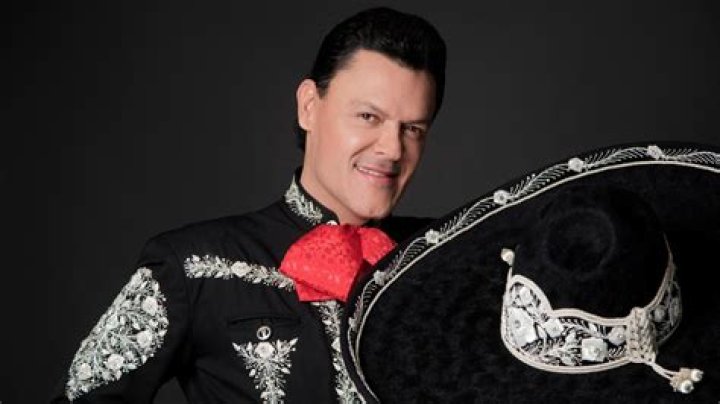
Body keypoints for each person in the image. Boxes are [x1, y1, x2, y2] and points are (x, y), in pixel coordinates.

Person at [51, 6, 446, 403]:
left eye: (412, 128)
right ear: (309, 106)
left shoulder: (444, 256)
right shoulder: (192, 266)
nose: (393, 149)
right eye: (368, 116)